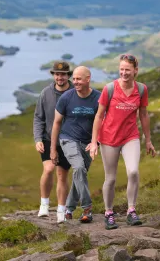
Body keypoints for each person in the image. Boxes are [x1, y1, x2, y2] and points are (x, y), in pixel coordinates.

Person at [90, 54, 156, 230]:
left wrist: (148, 140)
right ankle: (109, 213)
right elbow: (99, 115)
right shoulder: (109, 89)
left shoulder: (141, 89)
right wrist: (93, 141)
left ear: (135, 71)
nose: (124, 73)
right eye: (121, 69)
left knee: (133, 172)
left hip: (130, 137)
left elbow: (143, 114)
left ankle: (131, 210)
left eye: (127, 69)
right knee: (110, 178)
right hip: (109, 138)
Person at [50, 66, 101, 223]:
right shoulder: (66, 97)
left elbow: (102, 123)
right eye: (74, 79)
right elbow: (57, 123)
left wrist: (96, 143)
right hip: (68, 139)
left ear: (88, 79)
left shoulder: (98, 98)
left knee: (80, 175)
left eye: (79, 79)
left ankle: (69, 209)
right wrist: (53, 149)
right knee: (79, 168)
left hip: (88, 143)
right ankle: (87, 208)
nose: (75, 82)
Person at [33, 61, 73, 223]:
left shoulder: (75, 92)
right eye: (57, 74)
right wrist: (37, 139)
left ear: (68, 75)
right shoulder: (46, 93)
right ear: (53, 75)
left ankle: (61, 210)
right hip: (48, 138)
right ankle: (44, 204)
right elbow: (38, 118)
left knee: (62, 175)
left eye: (63, 74)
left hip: (68, 140)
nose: (60, 77)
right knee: (49, 169)